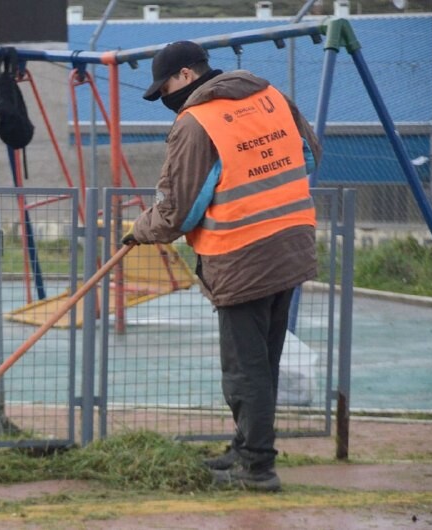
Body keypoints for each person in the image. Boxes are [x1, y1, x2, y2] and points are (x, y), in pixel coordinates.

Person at [122, 41, 322, 492]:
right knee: (263, 362)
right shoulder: (269, 96)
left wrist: (140, 229)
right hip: (290, 244)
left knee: (243, 369)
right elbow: (309, 153)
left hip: (243, 257)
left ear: (187, 76)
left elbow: (178, 211)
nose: (165, 100)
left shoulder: (197, 122)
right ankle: (246, 446)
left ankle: (257, 467)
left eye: (165, 88)